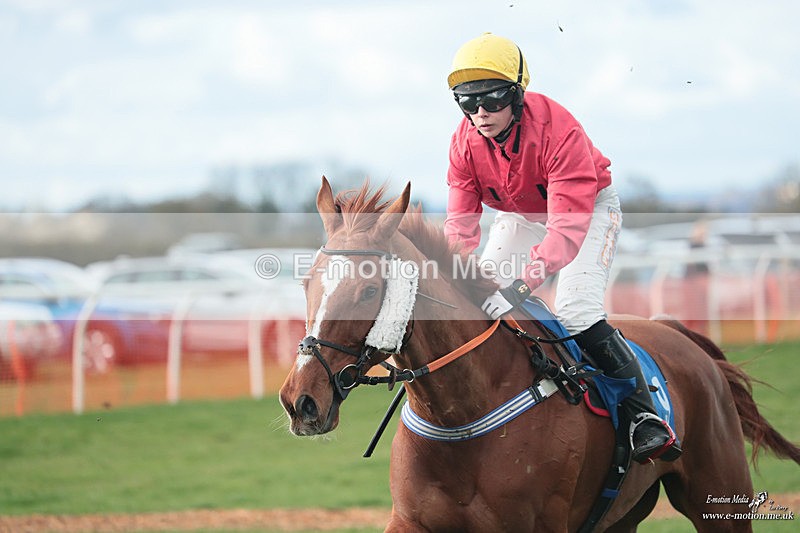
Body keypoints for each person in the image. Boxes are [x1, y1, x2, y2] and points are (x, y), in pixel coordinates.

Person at [443, 32, 681, 463]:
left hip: (585, 213)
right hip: (519, 215)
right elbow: (460, 228)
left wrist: (519, 288)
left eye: (493, 99)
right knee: (476, 297)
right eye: (467, 101)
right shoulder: (463, 143)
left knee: (575, 310)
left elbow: (565, 233)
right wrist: (454, 277)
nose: (480, 112)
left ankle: (642, 413)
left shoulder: (559, 130)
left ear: (517, 94)